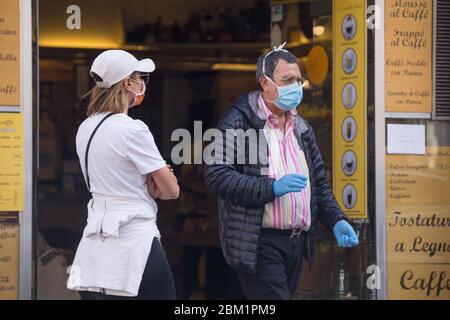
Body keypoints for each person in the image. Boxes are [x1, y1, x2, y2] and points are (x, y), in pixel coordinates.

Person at [204, 43, 359, 300]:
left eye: (299, 80)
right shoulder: (240, 120)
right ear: (265, 83)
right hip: (260, 242)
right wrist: (271, 188)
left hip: (297, 243)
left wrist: (336, 220)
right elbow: (217, 175)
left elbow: (318, 183)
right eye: (287, 80)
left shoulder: (301, 126)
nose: (296, 87)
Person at [67, 50, 179, 300]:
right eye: (141, 77)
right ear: (128, 83)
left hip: (94, 245)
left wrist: (145, 185)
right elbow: (172, 191)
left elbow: (114, 177)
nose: (143, 84)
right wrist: (155, 186)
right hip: (134, 242)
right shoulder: (133, 129)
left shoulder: (86, 127)